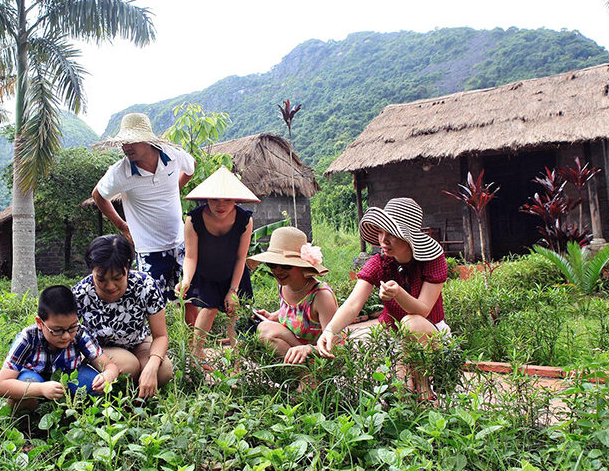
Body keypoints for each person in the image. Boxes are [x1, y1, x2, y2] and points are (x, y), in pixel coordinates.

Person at [316, 197, 449, 400]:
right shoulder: (379, 263)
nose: (383, 241)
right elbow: (353, 303)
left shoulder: (433, 261)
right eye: (381, 232)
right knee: (398, 392)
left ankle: (425, 392)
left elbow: (423, 310)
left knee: (410, 322)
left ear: (409, 237)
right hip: (395, 338)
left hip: (429, 333)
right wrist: (330, 330)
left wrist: (398, 294)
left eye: (392, 234)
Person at [92, 112, 196, 303]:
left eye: (131, 141)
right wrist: (122, 226)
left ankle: (192, 335)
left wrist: (174, 190)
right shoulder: (120, 172)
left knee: (189, 297)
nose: (126, 147)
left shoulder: (173, 156)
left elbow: (191, 168)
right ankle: (160, 334)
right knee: (154, 302)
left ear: (148, 140)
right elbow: (97, 195)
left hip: (181, 241)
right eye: (124, 142)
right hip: (149, 249)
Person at [72, 234, 174, 398]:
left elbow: (160, 335)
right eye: (101, 279)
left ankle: (141, 387)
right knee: (129, 367)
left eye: (117, 278)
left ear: (128, 267)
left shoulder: (145, 285)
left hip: (139, 342)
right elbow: (71, 336)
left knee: (163, 371)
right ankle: (126, 395)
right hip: (100, 349)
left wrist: (152, 366)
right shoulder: (81, 293)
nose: (110, 286)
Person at [176, 165, 259, 357]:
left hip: (234, 273)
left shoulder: (244, 220)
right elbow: (190, 256)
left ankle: (237, 361)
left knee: (235, 313)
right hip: (205, 273)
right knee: (209, 309)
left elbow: (241, 257)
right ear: (206, 198)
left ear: (236, 199)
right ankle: (196, 356)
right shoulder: (193, 219)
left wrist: (233, 291)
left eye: (227, 199)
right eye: (214, 199)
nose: (220, 205)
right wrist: (186, 279)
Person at [0, 285, 120, 411]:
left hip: (70, 377)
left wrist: (108, 375)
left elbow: (110, 366)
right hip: (35, 379)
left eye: (72, 327)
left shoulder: (80, 333)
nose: (66, 336)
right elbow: (1, 386)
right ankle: (28, 419)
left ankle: (77, 413)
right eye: (57, 330)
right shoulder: (28, 337)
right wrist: (41, 389)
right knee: (28, 382)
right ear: (40, 323)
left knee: (95, 384)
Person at [247, 227, 338, 364]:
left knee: (266, 330)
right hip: (293, 357)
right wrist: (274, 316)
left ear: (302, 266)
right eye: (272, 264)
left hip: (318, 362)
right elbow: (296, 312)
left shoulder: (321, 296)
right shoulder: (283, 285)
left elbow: (336, 346)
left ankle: (309, 381)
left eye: (285, 266)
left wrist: (308, 349)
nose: (278, 271)